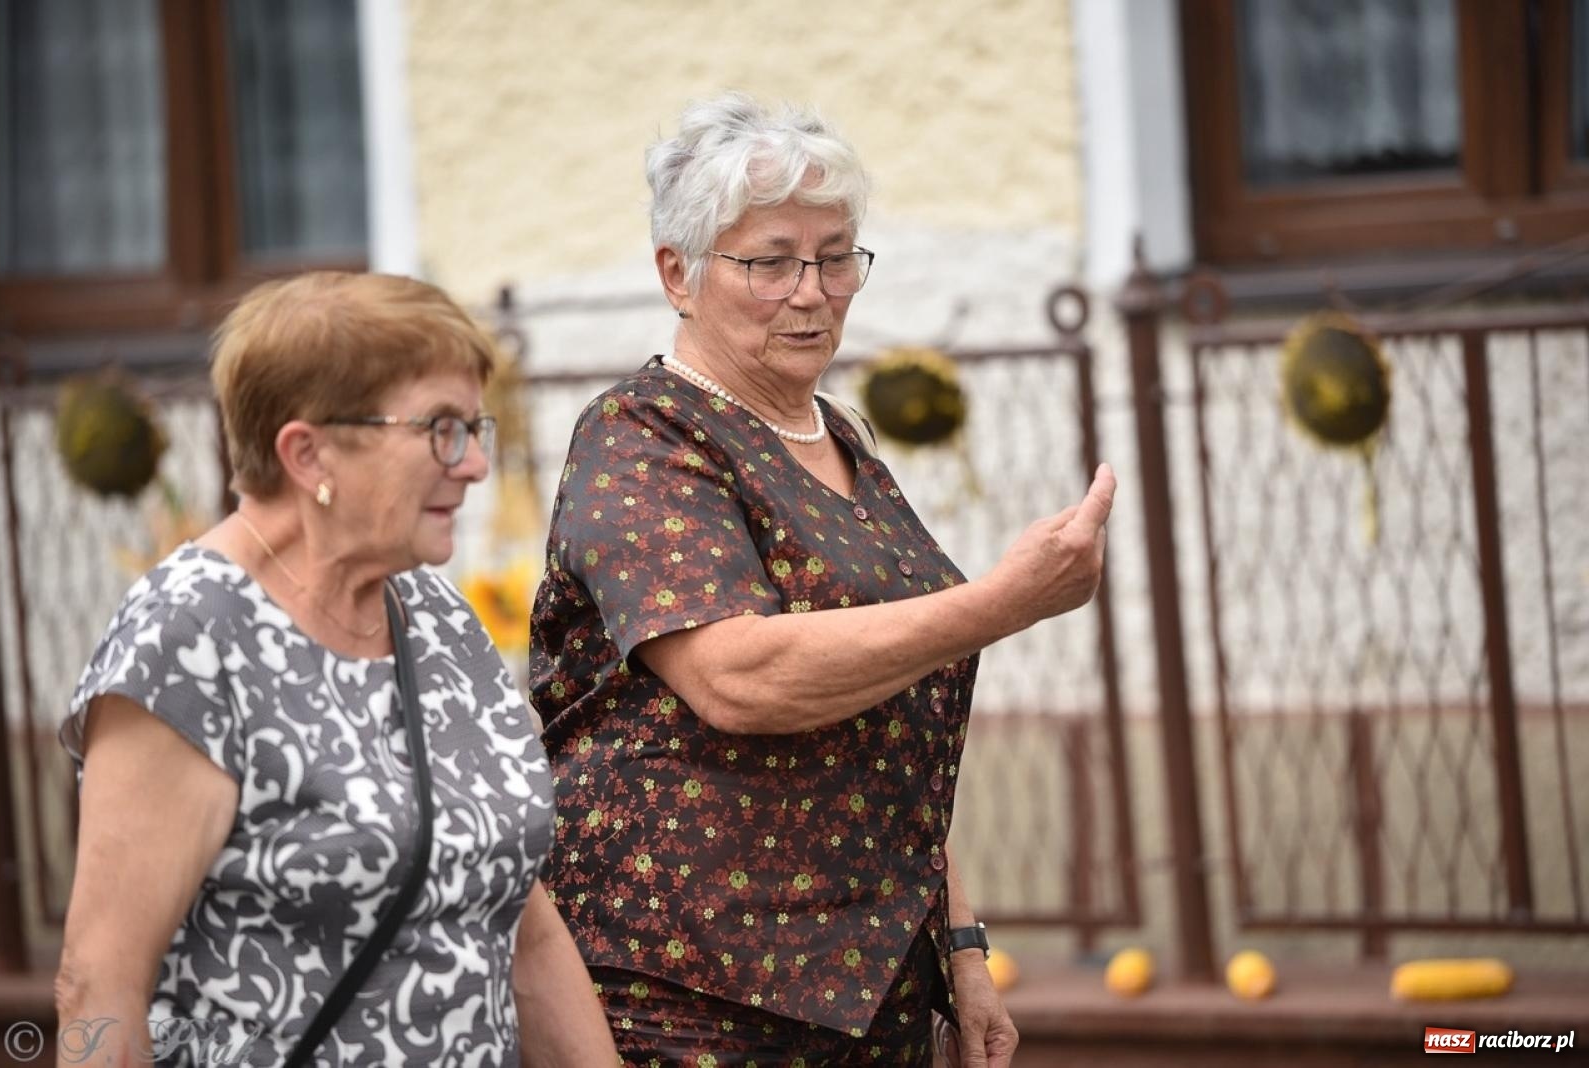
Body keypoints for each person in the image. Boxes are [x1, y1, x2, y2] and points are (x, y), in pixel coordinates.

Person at [530, 93, 1116, 1067]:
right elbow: (741, 678)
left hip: (873, 990)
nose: (811, 291)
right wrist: (1001, 602)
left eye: (835, 255)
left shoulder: (837, 435)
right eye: (768, 261)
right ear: (677, 274)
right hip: (687, 995)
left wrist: (962, 951)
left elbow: (891, 736)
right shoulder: (640, 436)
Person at [56, 272, 619, 1066]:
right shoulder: (189, 638)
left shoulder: (436, 615)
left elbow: (521, 926)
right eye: (442, 430)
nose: (475, 465)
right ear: (307, 451)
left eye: (475, 428)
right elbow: (97, 986)